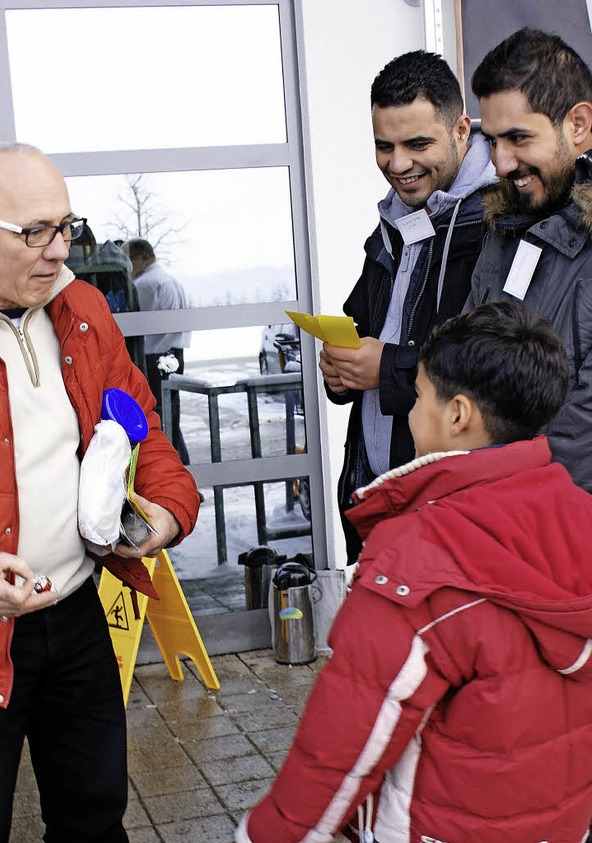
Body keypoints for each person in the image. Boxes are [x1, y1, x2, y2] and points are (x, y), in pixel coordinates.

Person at [237, 300, 592, 843]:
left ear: (457, 414)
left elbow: (345, 741)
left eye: (420, 395)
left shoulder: (416, 556)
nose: (408, 411)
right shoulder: (578, 514)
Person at [0, 141, 200, 843]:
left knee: (94, 819)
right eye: (34, 231)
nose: (59, 249)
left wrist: (168, 506)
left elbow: (140, 425)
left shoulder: (82, 309)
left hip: (78, 615)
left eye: (66, 226)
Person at [319, 50, 496, 564]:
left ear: (462, 129)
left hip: (453, 507)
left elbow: (495, 371)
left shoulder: (500, 221)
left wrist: (386, 369)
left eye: (417, 144)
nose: (398, 164)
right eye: (384, 146)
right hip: (380, 493)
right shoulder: (394, 219)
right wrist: (340, 367)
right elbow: (361, 323)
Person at [468, 27, 592, 492]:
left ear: (577, 124)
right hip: (500, 523)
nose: (500, 163)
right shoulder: (505, 229)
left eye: (518, 138)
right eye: (493, 141)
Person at [124, 237, 191, 464]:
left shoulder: (146, 284)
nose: (128, 267)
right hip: (174, 354)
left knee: (159, 420)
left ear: (143, 258)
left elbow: (136, 325)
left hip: (155, 356)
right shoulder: (170, 280)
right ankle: (186, 474)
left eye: (129, 260)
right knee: (172, 418)